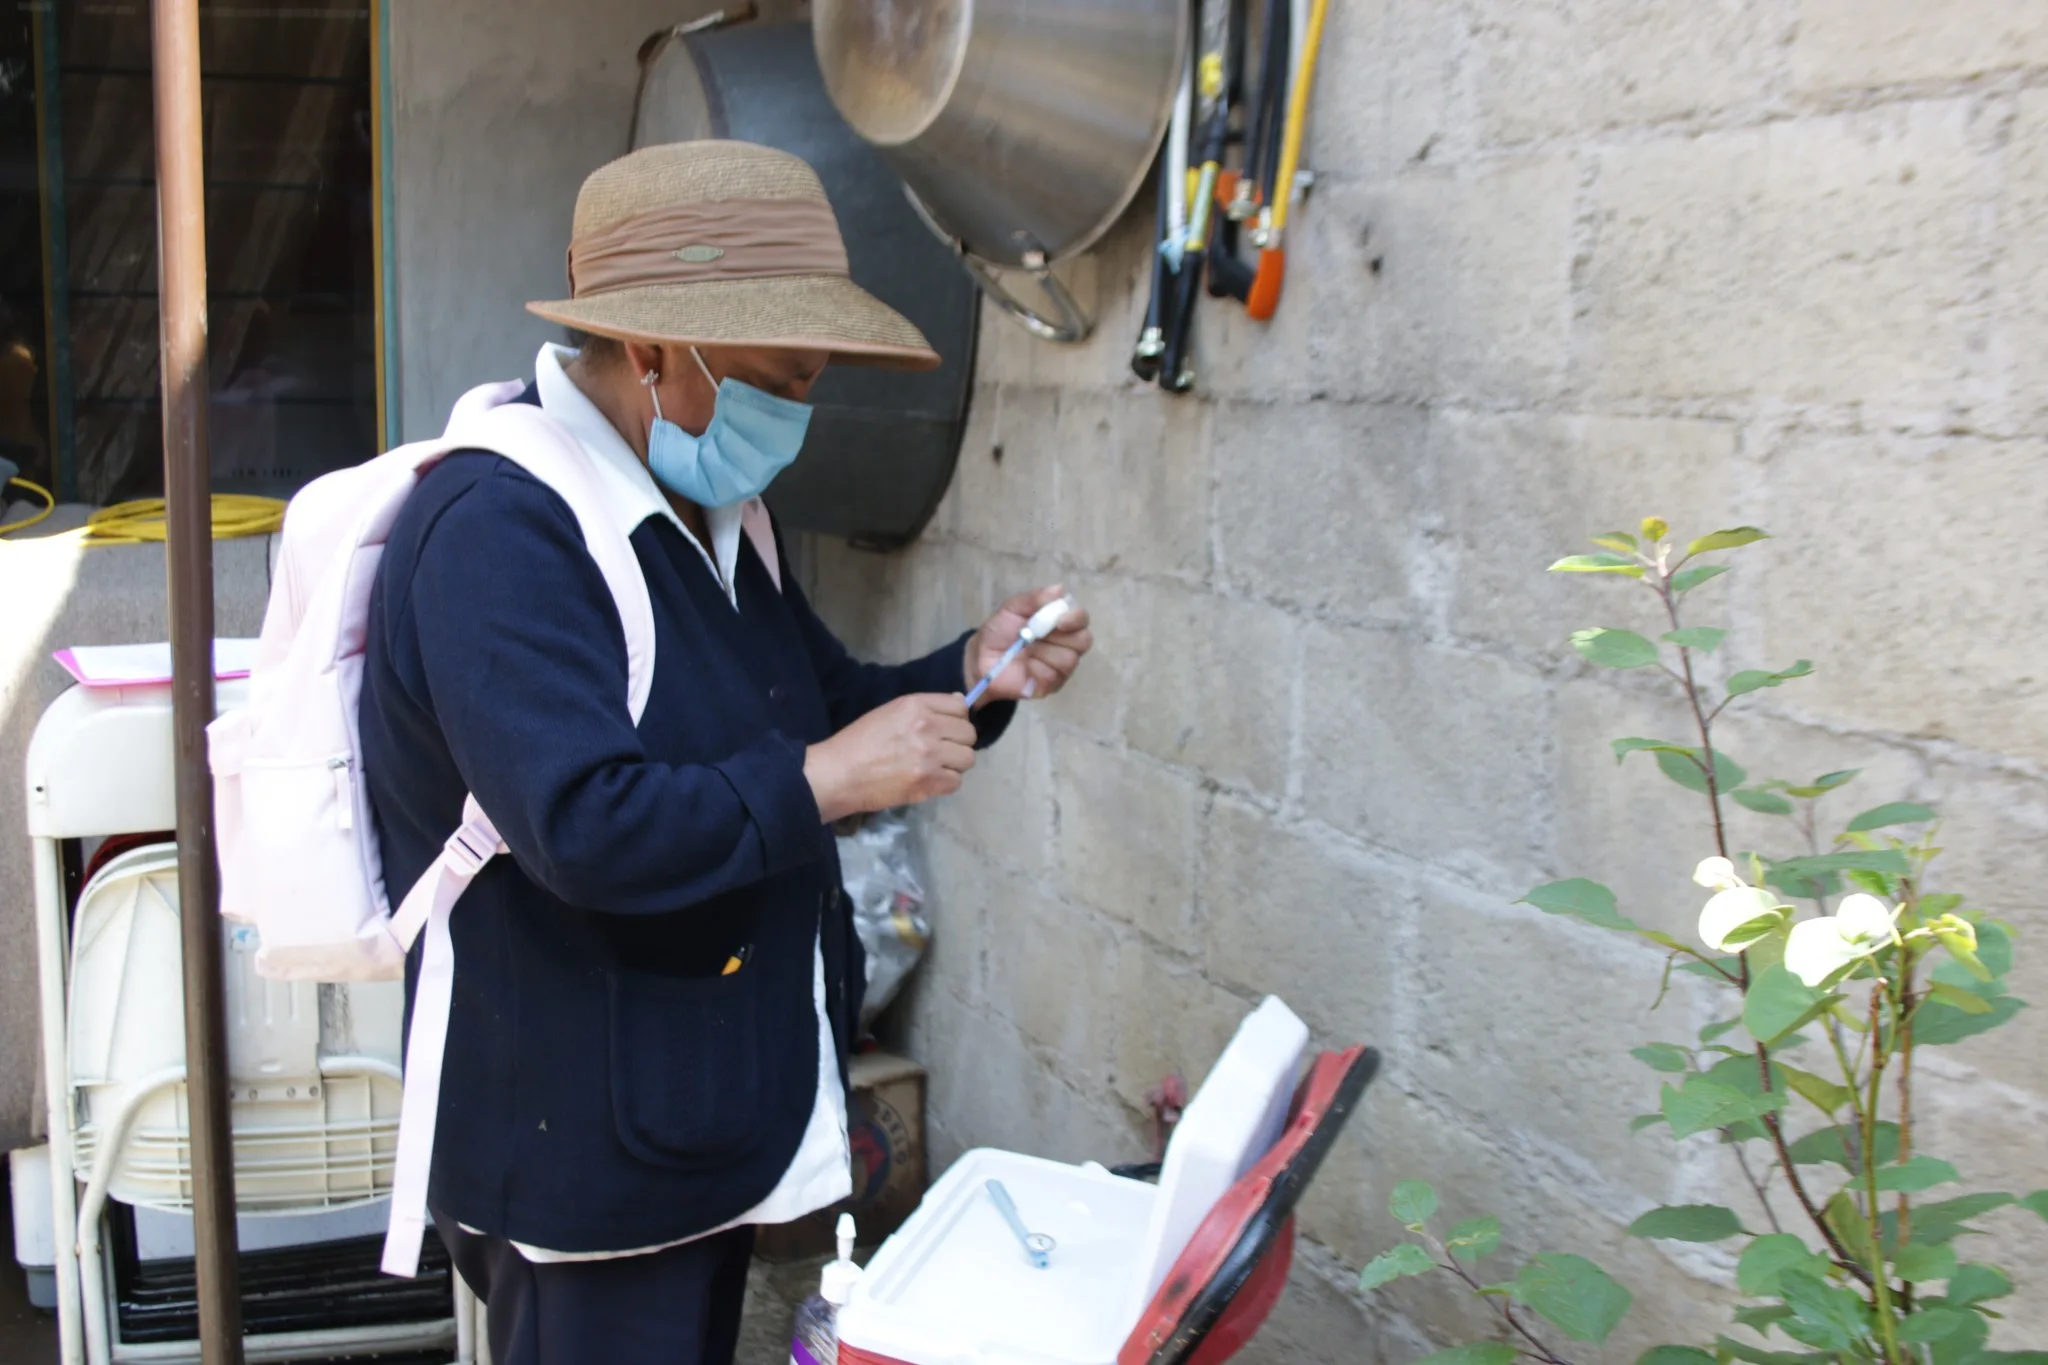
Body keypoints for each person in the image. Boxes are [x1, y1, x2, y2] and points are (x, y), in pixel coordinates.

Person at [357, 140, 1092, 1365]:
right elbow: (585, 826)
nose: (797, 410)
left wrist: (974, 671)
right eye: (777, 376)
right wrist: (826, 778)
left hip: (689, 1110)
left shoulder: (712, 511)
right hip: (578, 1141)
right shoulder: (499, 527)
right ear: (651, 353)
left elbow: (814, 705)